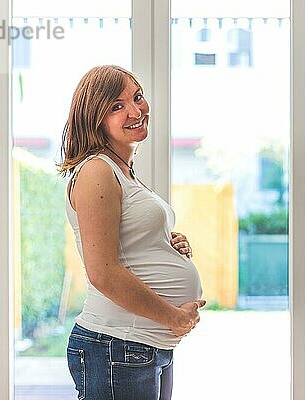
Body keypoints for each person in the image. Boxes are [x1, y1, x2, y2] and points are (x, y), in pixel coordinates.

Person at [58, 65, 205, 400]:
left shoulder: (123, 171)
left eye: (137, 97)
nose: (136, 111)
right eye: (117, 106)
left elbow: (128, 245)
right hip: (118, 344)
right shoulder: (97, 170)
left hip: (141, 345)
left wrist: (167, 243)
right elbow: (103, 273)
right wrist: (173, 316)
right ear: (95, 117)